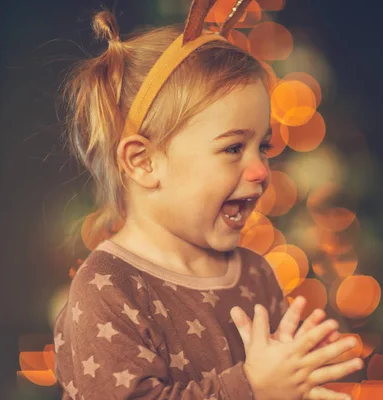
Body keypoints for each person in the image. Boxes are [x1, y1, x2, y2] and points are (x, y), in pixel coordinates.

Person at [53, 3, 363, 399]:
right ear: (144, 162)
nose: (261, 171)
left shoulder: (255, 276)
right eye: (234, 148)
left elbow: (282, 383)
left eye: (263, 147)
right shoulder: (108, 288)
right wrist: (251, 389)